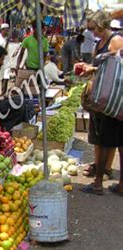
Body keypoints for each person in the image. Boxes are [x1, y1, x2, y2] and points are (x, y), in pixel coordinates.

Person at [77, 10, 123, 196]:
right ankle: (117, 185)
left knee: (109, 142)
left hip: (113, 100)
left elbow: (117, 68)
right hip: (103, 99)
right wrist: (89, 69)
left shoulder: (116, 40)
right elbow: (103, 69)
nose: (92, 32)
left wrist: (94, 67)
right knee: (105, 141)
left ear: (103, 25)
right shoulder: (101, 42)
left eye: (94, 28)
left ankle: (98, 184)